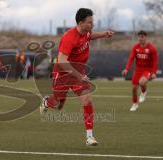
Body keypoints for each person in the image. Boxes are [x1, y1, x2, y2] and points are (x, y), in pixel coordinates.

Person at [40, 8, 114, 146]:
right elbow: (62, 60)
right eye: (90, 22)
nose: (92, 25)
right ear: (80, 22)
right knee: (58, 105)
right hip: (63, 72)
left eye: (93, 22)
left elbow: (90, 36)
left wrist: (104, 34)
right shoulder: (69, 37)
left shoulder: (85, 32)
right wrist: (79, 75)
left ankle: (89, 137)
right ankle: (46, 102)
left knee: (87, 99)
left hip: (77, 72)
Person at [122, 30, 158, 111]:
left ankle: (144, 92)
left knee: (142, 82)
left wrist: (154, 73)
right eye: (139, 37)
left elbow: (155, 61)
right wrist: (126, 69)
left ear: (146, 37)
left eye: (142, 36)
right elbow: (131, 58)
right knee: (134, 89)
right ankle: (135, 104)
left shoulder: (152, 48)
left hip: (148, 70)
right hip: (138, 70)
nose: (140, 38)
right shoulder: (136, 47)